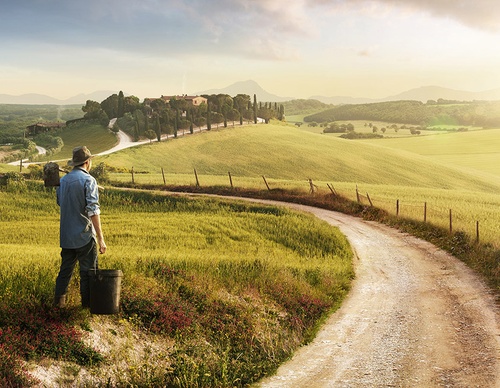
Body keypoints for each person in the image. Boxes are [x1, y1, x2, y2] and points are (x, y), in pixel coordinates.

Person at [54, 146, 107, 308]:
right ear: (87, 162)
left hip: (67, 236)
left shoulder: (62, 181)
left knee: (65, 271)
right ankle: (87, 307)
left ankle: (58, 306)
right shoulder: (89, 180)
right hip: (84, 235)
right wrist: (100, 238)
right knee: (88, 273)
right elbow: (93, 210)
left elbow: (60, 202)